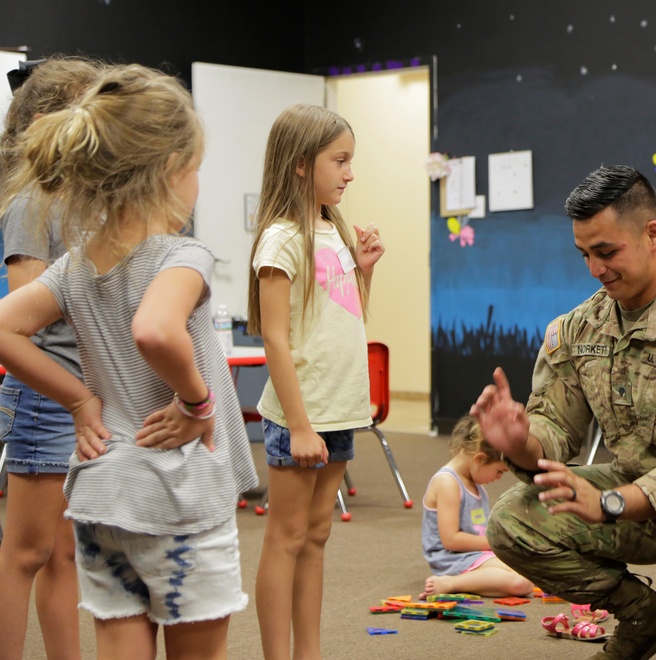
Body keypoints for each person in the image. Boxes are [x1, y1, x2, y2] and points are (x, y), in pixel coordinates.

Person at [0, 64, 257, 658]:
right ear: (171, 171)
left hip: (103, 494)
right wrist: (197, 402)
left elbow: (5, 326)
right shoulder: (183, 255)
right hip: (179, 494)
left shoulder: (75, 265)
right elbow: (155, 330)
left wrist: (79, 399)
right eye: (196, 169)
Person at [472, 165, 656, 659]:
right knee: (513, 520)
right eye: (585, 254)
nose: (595, 268)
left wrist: (613, 503)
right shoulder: (578, 328)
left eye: (607, 251)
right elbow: (554, 432)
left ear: (652, 234)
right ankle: (644, 616)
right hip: (626, 494)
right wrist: (520, 442)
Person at [247, 103, 384, 660]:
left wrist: (365, 269)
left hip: (340, 410)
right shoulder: (281, 239)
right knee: (286, 538)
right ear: (302, 164)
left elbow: (344, 320)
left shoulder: (333, 231)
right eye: (340, 160)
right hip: (300, 417)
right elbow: (275, 340)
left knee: (318, 536)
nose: (349, 173)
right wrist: (300, 427)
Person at [0, 56, 101, 660]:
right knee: (25, 554)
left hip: (84, 395)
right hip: (46, 397)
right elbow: (27, 318)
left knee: (67, 553)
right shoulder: (32, 204)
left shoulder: (89, 203)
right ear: (46, 122)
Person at [419, 415, 534, 599]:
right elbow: (451, 540)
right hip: (452, 558)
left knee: (530, 572)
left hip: (474, 554)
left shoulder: (474, 482)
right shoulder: (448, 483)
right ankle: (449, 583)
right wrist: (496, 543)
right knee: (522, 582)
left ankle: (479, 580)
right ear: (480, 458)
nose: (498, 478)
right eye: (499, 471)